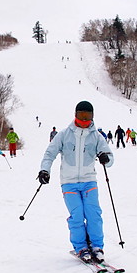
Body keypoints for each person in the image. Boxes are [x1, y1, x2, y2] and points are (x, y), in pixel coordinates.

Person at [37, 101, 114, 264]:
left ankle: (97, 247)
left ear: (92, 117)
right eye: (81, 115)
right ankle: (81, 247)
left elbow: (110, 159)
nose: (84, 119)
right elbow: (50, 153)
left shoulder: (96, 136)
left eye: (88, 116)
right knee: (77, 215)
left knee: (93, 214)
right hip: (69, 182)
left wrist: (105, 158)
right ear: (75, 115)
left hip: (89, 181)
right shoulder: (65, 134)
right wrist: (45, 170)